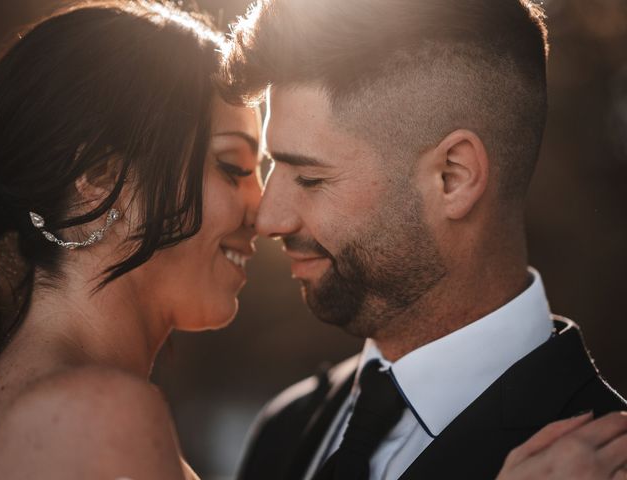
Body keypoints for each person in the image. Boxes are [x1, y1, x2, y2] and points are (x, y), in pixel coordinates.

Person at [221, 0, 627, 479]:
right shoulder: (285, 430)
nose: (268, 218)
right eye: (272, 167)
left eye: (310, 178)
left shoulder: (604, 460)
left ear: (452, 178)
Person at [0, 2, 262, 479]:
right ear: (99, 173)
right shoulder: (99, 416)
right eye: (233, 166)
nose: (264, 207)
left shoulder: (24, 396)